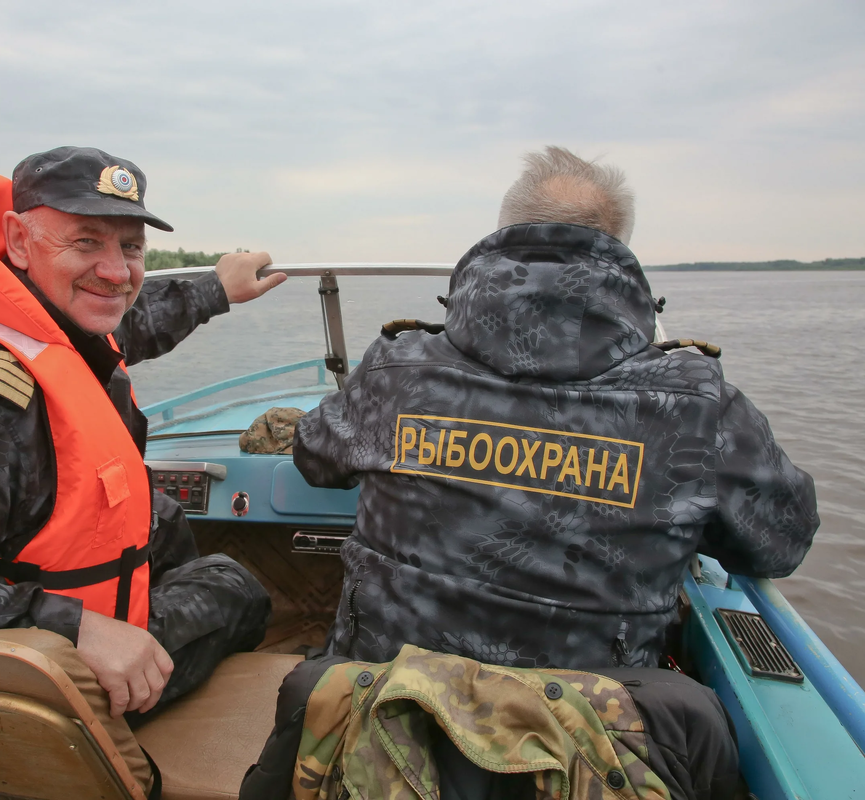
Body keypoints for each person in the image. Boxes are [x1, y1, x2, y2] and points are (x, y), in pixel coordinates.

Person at [246, 146, 819, 799]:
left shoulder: (395, 370)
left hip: (381, 736)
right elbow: (781, 542)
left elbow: (315, 456)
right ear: (620, 249)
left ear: (502, 235)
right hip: (586, 759)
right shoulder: (697, 403)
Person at [0, 146, 284, 794]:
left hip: (49, 593)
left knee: (163, 519)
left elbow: (127, 326)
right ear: (18, 239)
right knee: (236, 586)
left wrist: (215, 289)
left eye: (130, 247)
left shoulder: (25, 312)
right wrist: (80, 628)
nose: (116, 271)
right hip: (38, 684)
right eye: (86, 241)